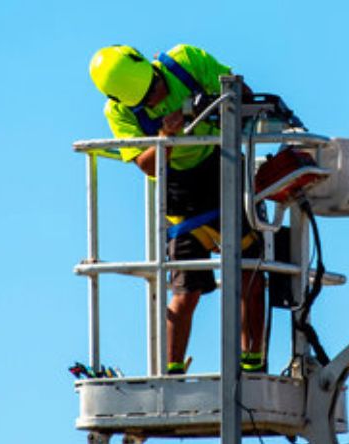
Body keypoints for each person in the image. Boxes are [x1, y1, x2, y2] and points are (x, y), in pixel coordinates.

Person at [89, 44, 266, 374]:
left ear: (152, 68)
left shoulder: (187, 61)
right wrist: (165, 135)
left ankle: (252, 363)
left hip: (224, 169)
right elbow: (148, 166)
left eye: (155, 87)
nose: (155, 98)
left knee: (252, 272)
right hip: (180, 192)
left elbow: (244, 94)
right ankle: (172, 373)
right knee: (186, 288)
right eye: (145, 101)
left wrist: (205, 107)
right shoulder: (119, 113)